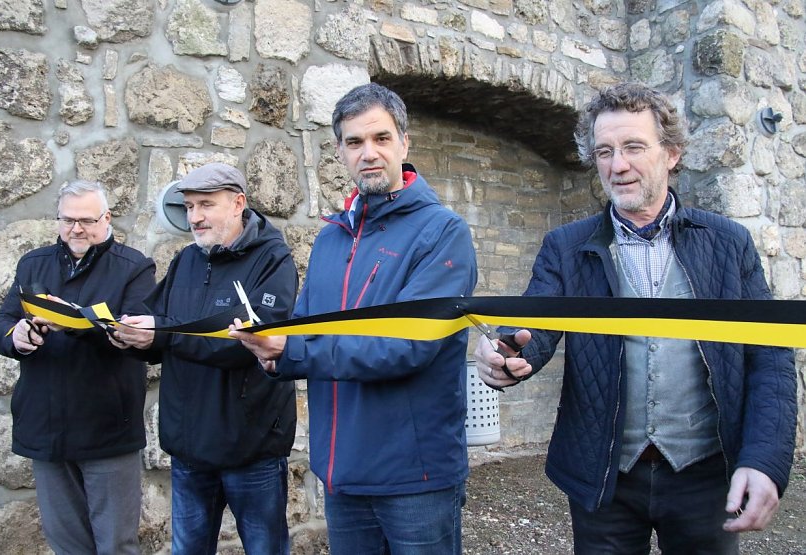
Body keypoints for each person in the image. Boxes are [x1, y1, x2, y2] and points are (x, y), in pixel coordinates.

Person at [474, 82, 797, 554]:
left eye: (633, 147)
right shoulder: (565, 246)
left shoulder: (729, 244)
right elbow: (535, 325)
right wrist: (507, 354)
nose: (617, 165)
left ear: (672, 154)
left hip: (706, 473)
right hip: (603, 476)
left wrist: (765, 459)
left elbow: (770, 355)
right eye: (604, 151)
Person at [229, 83, 477, 554]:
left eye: (381, 138)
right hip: (341, 472)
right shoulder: (331, 238)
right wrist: (269, 349)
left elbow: (408, 345)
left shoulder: (443, 233)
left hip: (414, 477)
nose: (369, 153)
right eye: (354, 142)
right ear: (340, 152)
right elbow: (304, 328)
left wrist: (293, 350)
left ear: (404, 143)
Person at [111, 163, 298, 555]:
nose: (194, 217)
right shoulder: (186, 260)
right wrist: (129, 335)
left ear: (238, 204)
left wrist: (163, 332)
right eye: (189, 206)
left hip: (252, 448)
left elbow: (247, 343)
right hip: (191, 450)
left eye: (205, 205)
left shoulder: (273, 259)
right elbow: (159, 329)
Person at [0, 180, 156, 554]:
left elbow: (138, 331)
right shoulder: (33, 263)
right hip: (45, 426)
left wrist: (79, 325)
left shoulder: (134, 267)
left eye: (86, 220)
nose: (76, 229)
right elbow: (1, 321)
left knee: (116, 545)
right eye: (68, 220)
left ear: (107, 219)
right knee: (66, 545)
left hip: (107, 428)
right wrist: (16, 336)